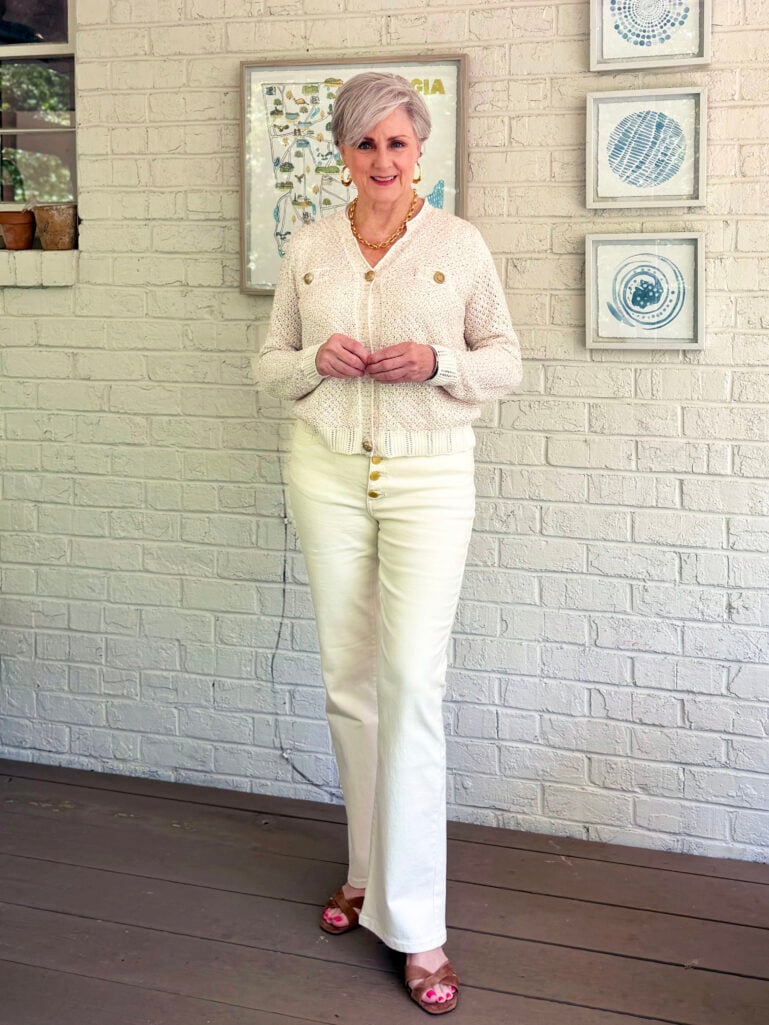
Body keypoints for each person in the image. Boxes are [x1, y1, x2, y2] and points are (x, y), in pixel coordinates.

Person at [254, 71, 522, 1015]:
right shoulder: (310, 247)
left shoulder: (458, 245)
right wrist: (311, 360)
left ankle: (417, 924)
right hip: (325, 473)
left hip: (429, 477)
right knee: (349, 679)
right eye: (365, 143)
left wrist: (438, 361)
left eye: (396, 143)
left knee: (411, 685)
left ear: (419, 151)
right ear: (341, 151)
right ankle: (366, 870)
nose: (381, 159)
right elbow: (268, 365)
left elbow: (506, 358)